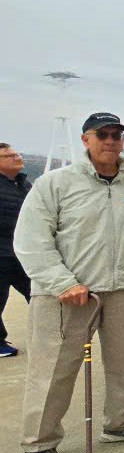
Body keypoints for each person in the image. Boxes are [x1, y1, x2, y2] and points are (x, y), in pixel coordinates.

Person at [14, 112, 124, 453]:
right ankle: (38, 443)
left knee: (122, 363)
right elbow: (31, 240)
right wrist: (61, 282)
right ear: (86, 140)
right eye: (103, 134)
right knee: (52, 368)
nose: (111, 141)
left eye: (117, 135)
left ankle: (122, 422)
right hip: (67, 295)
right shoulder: (55, 183)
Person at [0, 142, 32, 358]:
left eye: (16, 153)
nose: (16, 157)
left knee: (40, 295)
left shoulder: (24, 184)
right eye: (9, 155)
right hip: (2, 253)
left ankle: (51, 334)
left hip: (22, 253)